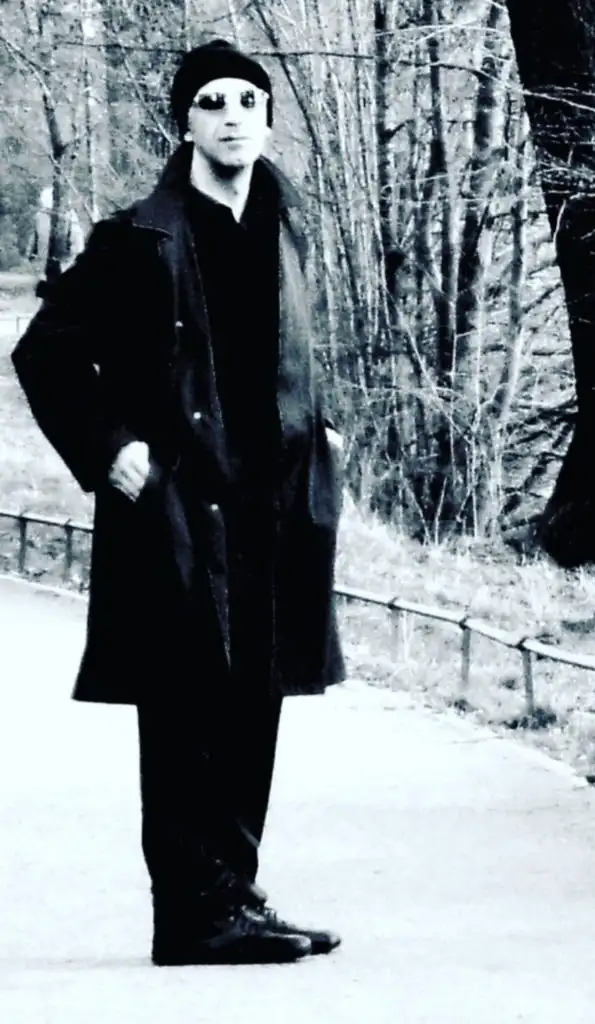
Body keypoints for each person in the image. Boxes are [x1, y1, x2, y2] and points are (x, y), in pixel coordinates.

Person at [11, 39, 346, 967]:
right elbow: (44, 353)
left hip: (275, 508)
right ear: (185, 123)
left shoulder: (286, 224)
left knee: (256, 703)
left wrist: (325, 433)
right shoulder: (138, 238)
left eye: (247, 100)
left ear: (268, 120)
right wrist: (110, 447)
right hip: (180, 509)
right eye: (211, 102)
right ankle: (189, 916)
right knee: (183, 709)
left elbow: (298, 353)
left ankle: (234, 894)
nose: (232, 115)